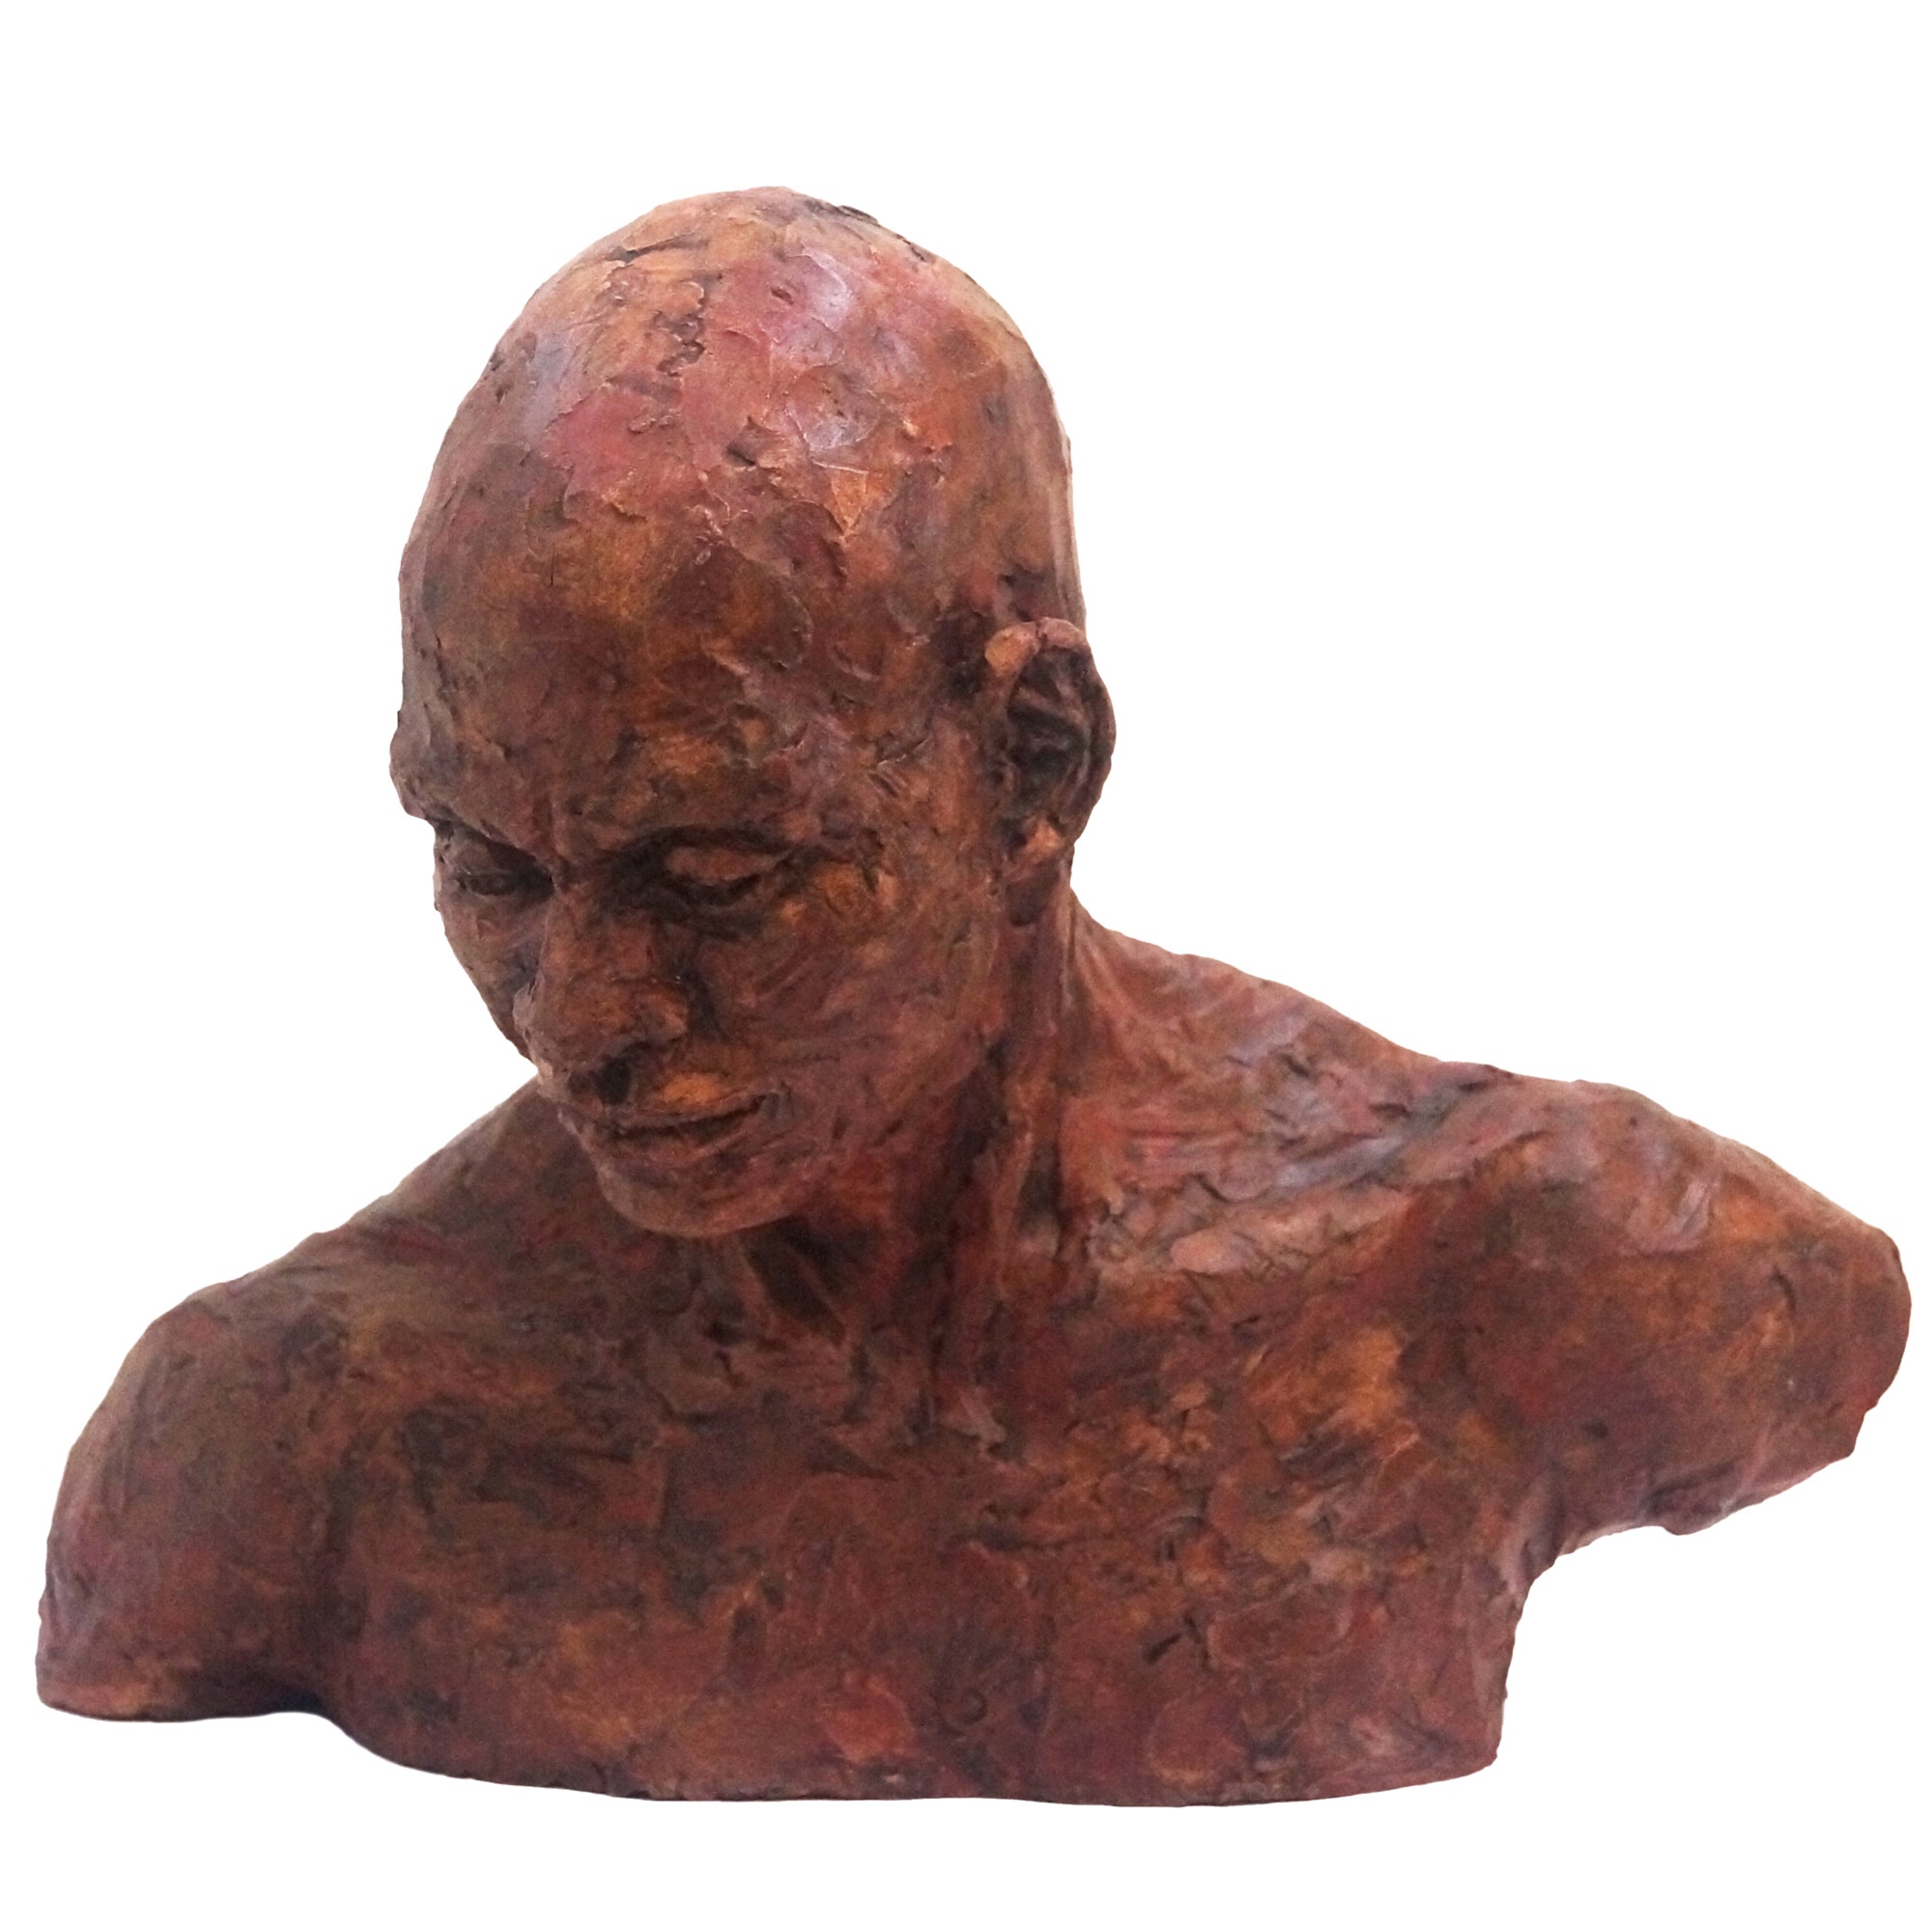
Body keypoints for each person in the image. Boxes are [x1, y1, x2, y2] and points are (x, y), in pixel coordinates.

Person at [38, 188, 1909, 1804]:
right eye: (490, 867)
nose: (580, 1015)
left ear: (1035, 764)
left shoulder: (1534, 1266)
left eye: (715, 876)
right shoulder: (279, 1436)